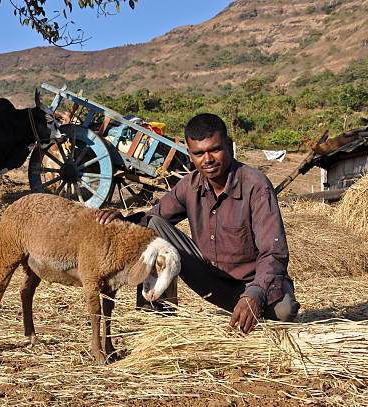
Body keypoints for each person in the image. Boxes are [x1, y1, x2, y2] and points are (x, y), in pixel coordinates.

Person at [96, 113, 299, 334]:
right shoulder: (189, 185)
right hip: (211, 280)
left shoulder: (256, 186)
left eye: (215, 150)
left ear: (229, 147)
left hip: (252, 286)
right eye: (199, 153)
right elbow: (152, 219)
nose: (208, 159)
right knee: (152, 227)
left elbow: (274, 253)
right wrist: (123, 221)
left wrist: (255, 294)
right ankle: (157, 318)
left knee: (284, 312)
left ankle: (250, 304)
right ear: (190, 154)